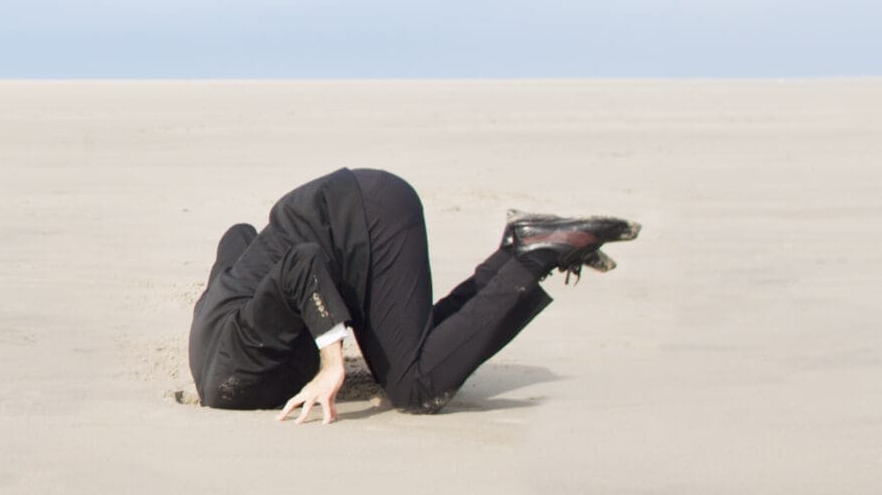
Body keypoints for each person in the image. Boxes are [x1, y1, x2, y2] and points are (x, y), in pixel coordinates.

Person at [189, 168, 640, 423]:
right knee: (406, 356)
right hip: (345, 211)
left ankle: (535, 255)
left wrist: (331, 366)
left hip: (368, 220)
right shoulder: (209, 332)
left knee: (416, 387)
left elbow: (302, 262)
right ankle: (522, 244)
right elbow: (238, 237)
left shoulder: (239, 372)